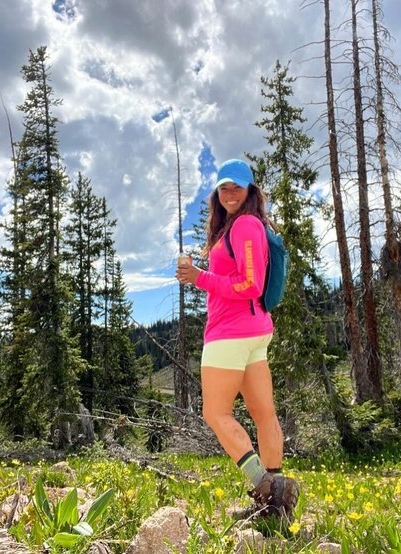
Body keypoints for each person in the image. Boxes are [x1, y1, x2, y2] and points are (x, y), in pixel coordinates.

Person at [175, 158, 299, 518]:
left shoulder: (245, 224)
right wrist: (200, 274)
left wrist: (200, 278)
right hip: (254, 332)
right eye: (224, 187)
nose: (230, 193)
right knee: (264, 414)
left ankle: (267, 487)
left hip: (231, 333)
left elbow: (250, 284)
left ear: (250, 190)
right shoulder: (240, 225)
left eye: (237, 187)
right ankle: (276, 508)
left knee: (215, 413)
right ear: (217, 192)